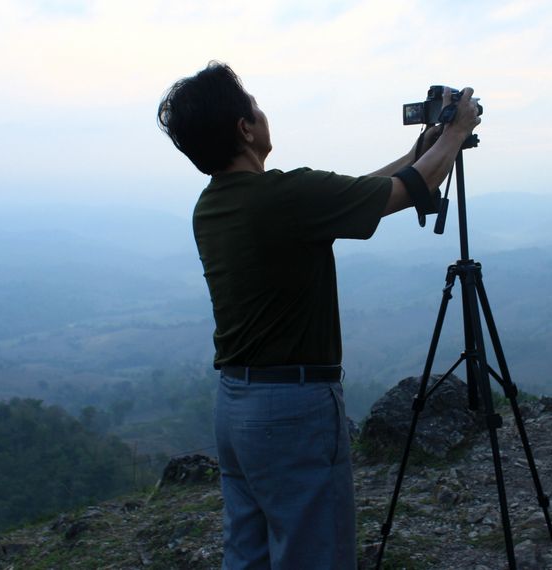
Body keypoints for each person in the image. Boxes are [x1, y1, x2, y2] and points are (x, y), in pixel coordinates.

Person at [156, 62, 480, 569]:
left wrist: (424, 150)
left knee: (249, 552)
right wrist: (457, 132)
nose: (262, 114)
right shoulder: (285, 197)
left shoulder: (213, 206)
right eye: (255, 106)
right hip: (292, 410)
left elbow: (362, 193)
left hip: (236, 407)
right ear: (245, 128)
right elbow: (403, 193)